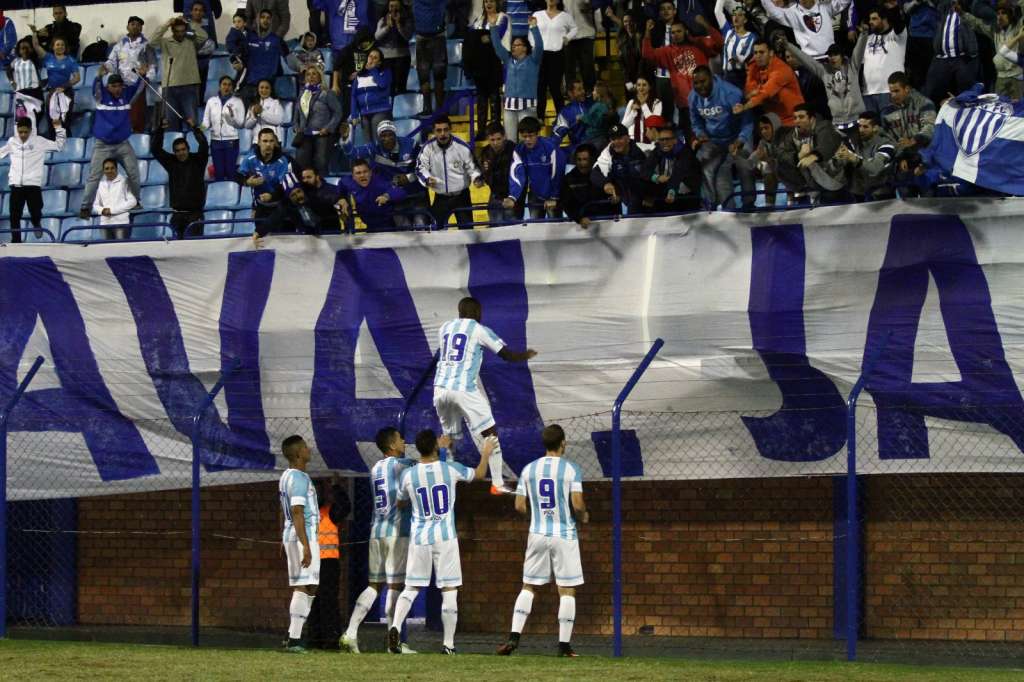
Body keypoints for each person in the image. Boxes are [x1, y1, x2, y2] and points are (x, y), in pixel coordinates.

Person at [387, 430, 496, 655]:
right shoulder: (449, 470)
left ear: (418, 448)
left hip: (420, 537)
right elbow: (479, 474)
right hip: (445, 537)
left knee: (411, 588)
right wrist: (485, 454)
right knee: (449, 590)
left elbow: (399, 503)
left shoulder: (409, 475)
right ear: (436, 447)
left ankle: (395, 627)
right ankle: (448, 644)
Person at [496, 424, 588, 658]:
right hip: (563, 534)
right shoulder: (571, 469)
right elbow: (577, 504)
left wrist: (536, 516)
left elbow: (518, 505)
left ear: (545, 444)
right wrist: (584, 515)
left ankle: (513, 638)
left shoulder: (528, 470)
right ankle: (564, 646)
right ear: (563, 443)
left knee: (529, 586)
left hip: (537, 534)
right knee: (566, 589)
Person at [431, 296, 537, 493]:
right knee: (490, 432)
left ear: (459, 312)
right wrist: (525, 355)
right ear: (478, 313)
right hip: (463, 389)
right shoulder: (479, 330)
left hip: (440, 390)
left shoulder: (444, 327)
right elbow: (505, 354)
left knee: (449, 436)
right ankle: (497, 483)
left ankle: (444, 475)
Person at [340, 427, 418, 654]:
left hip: (376, 530)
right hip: (396, 532)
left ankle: (351, 632)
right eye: (400, 439)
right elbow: (424, 464)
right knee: (395, 585)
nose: (404, 441)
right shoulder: (401, 464)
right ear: (392, 445)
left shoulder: (375, 468)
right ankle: (393, 642)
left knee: (374, 585)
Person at [79, 67, 146, 219]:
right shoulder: (101, 96)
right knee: (94, 176)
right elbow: (96, 87)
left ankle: (136, 201)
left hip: (122, 143)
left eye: (119, 86)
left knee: (133, 173)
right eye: (113, 86)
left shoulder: (127, 96)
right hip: (102, 144)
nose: (117, 89)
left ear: (123, 86)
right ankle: (85, 207)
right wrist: (98, 76)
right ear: (108, 87)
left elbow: (139, 87)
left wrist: (142, 76)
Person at [641, 17, 723, 138]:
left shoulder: (699, 44)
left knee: (713, 136)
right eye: (672, 32)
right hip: (685, 104)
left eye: (679, 31)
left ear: (686, 31)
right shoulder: (667, 51)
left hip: (707, 101)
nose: (675, 35)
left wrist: (706, 25)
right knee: (692, 139)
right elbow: (647, 55)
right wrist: (647, 32)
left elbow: (719, 43)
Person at [340, 119, 427, 227]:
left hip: (416, 194)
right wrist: (345, 140)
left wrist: (409, 177)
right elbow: (353, 154)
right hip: (394, 197)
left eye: (390, 134)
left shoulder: (411, 145)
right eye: (383, 136)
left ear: (395, 134)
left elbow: (426, 167)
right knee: (403, 228)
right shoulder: (374, 148)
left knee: (421, 225)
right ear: (378, 138)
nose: (387, 139)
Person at [689, 66, 755, 208]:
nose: (700, 86)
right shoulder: (693, 97)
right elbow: (695, 121)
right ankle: (725, 208)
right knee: (714, 169)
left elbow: (747, 121)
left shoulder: (731, 93)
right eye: (696, 83)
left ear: (711, 78)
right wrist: (701, 134)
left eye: (703, 81)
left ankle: (749, 206)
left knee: (745, 166)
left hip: (738, 135)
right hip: (715, 139)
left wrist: (740, 140)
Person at [278, 435, 319, 654]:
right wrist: (305, 545)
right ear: (297, 454)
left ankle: (293, 632)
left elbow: (283, 511)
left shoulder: (286, 476)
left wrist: (283, 538)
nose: (308, 449)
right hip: (303, 534)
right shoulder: (299, 478)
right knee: (302, 585)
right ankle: (294, 639)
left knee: (310, 585)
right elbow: (296, 511)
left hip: (293, 533)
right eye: (304, 447)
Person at [0, 117, 66, 243]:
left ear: (31, 130)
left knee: (36, 211)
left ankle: (36, 223)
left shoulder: (39, 141)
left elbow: (59, 146)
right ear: (17, 131)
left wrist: (59, 129)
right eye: (20, 132)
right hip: (16, 185)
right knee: (14, 216)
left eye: (25, 132)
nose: (23, 135)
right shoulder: (12, 142)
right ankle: (16, 242)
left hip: (33, 184)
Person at [305, 477, 350, 651]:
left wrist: (336, 486)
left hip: (327, 562)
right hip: (315, 561)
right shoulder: (312, 514)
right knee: (316, 601)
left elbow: (346, 506)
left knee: (326, 601)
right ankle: (319, 639)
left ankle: (327, 639)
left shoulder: (328, 512)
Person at [416, 116, 484, 229]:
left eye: (446, 129)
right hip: (440, 198)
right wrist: (427, 179)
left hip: (462, 197)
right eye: (438, 130)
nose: (442, 133)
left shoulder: (462, 147)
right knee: (436, 232)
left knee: (467, 233)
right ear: (434, 131)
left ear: (450, 129)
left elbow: (473, 168)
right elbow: (420, 168)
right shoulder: (427, 148)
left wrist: (476, 178)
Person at [788, 42, 864, 137]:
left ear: (842, 56)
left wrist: (864, 33)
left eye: (835, 54)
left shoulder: (852, 68)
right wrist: (788, 45)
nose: (832, 58)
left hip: (857, 121)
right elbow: (806, 59)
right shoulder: (824, 72)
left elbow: (859, 50)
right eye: (830, 55)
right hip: (837, 125)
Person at [776, 103, 849, 202]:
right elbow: (780, 153)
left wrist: (813, 156)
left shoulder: (825, 126)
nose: (797, 121)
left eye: (801, 117)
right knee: (780, 166)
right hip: (814, 181)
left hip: (837, 178)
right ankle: (804, 191)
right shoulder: (793, 135)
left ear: (812, 119)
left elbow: (827, 144)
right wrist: (798, 156)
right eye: (795, 118)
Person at [152, 121, 210, 239]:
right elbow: (155, 149)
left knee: (195, 247)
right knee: (177, 249)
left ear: (188, 149)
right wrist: (161, 130)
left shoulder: (198, 160)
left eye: (183, 149)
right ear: (174, 152)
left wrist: (194, 127)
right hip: (177, 215)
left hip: (195, 214)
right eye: (177, 151)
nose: (180, 153)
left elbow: (204, 144)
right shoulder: (171, 162)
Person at [492, 16, 545, 142]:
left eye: (517, 45)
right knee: (510, 140)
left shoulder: (533, 60)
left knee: (526, 139)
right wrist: (493, 27)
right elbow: (497, 47)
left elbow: (540, 46)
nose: (513, 47)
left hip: (527, 106)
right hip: (509, 106)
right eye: (513, 45)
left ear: (525, 47)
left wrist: (534, 27)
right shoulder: (508, 60)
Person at [153, 15, 208, 131]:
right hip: (169, 87)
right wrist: (167, 23)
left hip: (189, 85)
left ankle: (194, 146)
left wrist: (190, 22)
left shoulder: (191, 41)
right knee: (171, 123)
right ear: (172, 30)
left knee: (192, 122)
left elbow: (204, 36)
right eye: (177, 31)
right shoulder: (165, 42)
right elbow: (152, 41)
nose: (180, 34)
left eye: (183, 31)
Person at [960, 0, 1023, 100]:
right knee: (1000, 109)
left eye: (1003, 13)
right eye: (998, 14)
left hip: (1017, 77)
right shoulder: (994, 30)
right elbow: (977, 24)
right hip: (1001, 78)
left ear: (1010, 15)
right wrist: (962, 14)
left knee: (1019, 109)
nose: (1000, 16)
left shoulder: (1018, 28)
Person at [505, 116, 564, 219]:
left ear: (538, 133)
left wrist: (554, 197)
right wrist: (512, 197)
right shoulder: (519, 150)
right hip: (535, 195)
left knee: (557, 229)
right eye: (524, 136)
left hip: (553, 196)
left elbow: (558, 174)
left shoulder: (550, 147)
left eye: (531, 136)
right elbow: (517, 174)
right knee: (535, 228)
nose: (527, 140)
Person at [734, 39, 804, 126]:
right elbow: (749, 90)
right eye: (755, 53)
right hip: (773, 121)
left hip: (792, 120)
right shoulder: (755, 66)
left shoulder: (781, 70)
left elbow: (764, 93)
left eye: (762, 52)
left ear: (771, 53)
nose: (758, 56)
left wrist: (744, 107)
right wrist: (750, 94)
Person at [924, 0, 980, 104]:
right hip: (942, 58)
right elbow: (938, 5)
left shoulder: (966, 12)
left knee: (966, 91)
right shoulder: (944, 10)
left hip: (961, 58)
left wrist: (971, 53)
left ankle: (966, 115)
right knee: (933, 92)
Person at [105, 16, 156, 133]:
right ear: (127, 27)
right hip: (122, 86)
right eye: (133, 24)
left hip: (138, 84)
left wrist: (147, 77)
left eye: (138, 25)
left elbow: (152, 65)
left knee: (137, 115)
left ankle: (138, 137)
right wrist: (106, 68)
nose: (135, 26)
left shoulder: (146, 45)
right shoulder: (119, 45)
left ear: (141, 28)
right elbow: (111, 62)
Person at [259, 172, 348, 236]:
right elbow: (273, 219)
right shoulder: (287, 205)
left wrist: (339, 199)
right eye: (293, 195)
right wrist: (258, 232)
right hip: (308, 238)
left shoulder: (315, 195)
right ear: (289, 197)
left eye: (299, 191)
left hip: (329, 232)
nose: (298, 196)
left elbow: (329, 196)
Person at [466, 0, 507, 139]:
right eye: (486, 1)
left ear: (497, 3)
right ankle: (481, 131)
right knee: (482, 100)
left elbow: (499, 35)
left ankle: (495, 130)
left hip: (496, 63)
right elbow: (473, 37)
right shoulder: (479, 19)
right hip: (481, 65)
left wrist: (487, 37)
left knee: (495, 98)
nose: (488, 4)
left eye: (492, 1)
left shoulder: (503, 17)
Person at [835, 110, 897, 199]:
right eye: (859, 126)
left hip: (881, 194)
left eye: (865, 127)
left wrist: (853, 158)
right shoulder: (856, 143)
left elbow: (875, 168)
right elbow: (843, 166)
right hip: (859, 192)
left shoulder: (887, 145)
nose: (861, 130)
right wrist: (840, 159)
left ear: (875, 128)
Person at [641, 122, 704, 211]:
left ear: (675, 140)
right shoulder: (658, 150)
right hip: (668, 189)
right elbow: (644, 169)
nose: (664, 142)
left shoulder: (685, 152)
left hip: (687, 193)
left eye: (667, 139)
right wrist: (656, 177)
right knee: (644, 186)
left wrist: (672, 191)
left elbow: (678, 173)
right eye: (661, 140)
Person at [856, 8, 908, 114]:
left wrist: (893, 8)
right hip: (868, 93)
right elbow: (859, 66)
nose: (870, 22)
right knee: (871, 130)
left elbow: (899, 24)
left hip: (889, 92)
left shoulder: (896, 36)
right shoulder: (867, 39)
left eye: (874, 18)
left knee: (891, 128)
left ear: (884, 20)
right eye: (870, 19)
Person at [761, 0, 851, 60]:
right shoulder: (793, 13)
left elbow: (844, 2)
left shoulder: (825, 7)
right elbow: (773, 12)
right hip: (810, 62)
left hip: (831, 58)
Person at [293, 67, 342, 177]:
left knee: (320, 163)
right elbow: (296, 114)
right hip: (304, 134)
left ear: (320, 77)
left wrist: (328, 128)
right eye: (308, 74)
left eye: (314, 74)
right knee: (301, 163)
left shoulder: (326, 93)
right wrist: (296, 127)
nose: (311, 77)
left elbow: (338, 112)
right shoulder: (302, 94)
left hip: (322, 135)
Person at [533, 0, 578, 120]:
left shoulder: (565, 16)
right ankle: (540, 117)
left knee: (555, 88)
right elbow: (531, 32)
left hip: (557, 54)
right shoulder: (537, 15)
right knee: (540, 87)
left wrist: (567, 38)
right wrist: (534, 47)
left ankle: (561, 118)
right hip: (540, 54)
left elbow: (574, 29)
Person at [237, 127, 293, 223]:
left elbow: (285, 186)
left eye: (271, 141)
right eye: (265, 141)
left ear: (275, 143)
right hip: (260, 205)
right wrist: (247, 181)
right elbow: (238, 176)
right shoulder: (250, 159)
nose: (268, 145)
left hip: (279, 205)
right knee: (260, 235)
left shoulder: (283, 161)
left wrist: (271, 196)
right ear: (258, 142)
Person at [25, 32, 77, 133]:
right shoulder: (48, 57)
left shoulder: (70, 60)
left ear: (65, 47)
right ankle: (53, 142)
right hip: (52, 92)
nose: (60, 46)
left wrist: (64, 86)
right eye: (57, 44)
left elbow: (77, 78)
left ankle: (66, 143)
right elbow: (36, 45)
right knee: (51, 119)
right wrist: (34, 33)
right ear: (53, 47)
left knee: (64, 119)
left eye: (62, 45)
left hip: (66, 92)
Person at [735, 112, 790, 205]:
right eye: (761, 129)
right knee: (766, 168)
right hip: (777, 170)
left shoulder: (787, 139)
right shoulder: (763, 143)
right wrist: (735, 156)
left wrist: (768, 159)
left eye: (766, 128)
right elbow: (749, 164)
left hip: (794, 174)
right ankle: (769, 204)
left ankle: (792, 201)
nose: (763, 131)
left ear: (775, 126)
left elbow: (788, 163)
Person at [592, 122, 648, 211]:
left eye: (619, 138)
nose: (616, 142)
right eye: (613, 139)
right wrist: (606, 183)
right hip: (623, 202)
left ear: (628, 138)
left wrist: (649, 195)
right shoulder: (607, 157)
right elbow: (594, 173)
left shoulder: (642, 154)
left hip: (644, 202)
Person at [340, 158, 407, 231]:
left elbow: (401, 192)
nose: (362, 175)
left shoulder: (381, 182)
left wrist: (387, 196)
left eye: (365, 172)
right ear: (353, 176)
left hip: (387, 225)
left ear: (370, 173)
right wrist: (341, 198)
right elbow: (339, 189)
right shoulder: (347, 181)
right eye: (358, 173)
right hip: (368, 225)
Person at [238, 9, 288, 102]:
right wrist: (235, 61)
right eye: (262, 17)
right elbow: (236, 52)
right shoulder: (248, 37)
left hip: (267, 88)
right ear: (257, 19)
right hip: (250, 85)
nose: (265, 20)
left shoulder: (277, 40)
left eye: (268, 18)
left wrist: (301, 66)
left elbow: (289, 57)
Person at [560, 143, 613, 227]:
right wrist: (579, 218)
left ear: (592, 159)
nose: (582, 163)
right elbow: (566, 203)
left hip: (608, 221)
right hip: (583, 223)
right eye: (579, 159)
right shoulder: (569, 179)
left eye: (585, 159)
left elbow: (615, 198)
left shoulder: (604, 174)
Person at [881, 71, 936, 152]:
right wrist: (900, 156)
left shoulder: (924, 104)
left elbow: (930, 128)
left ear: (907, 89)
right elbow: (887, 138)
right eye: (891, 92)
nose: (893, 95)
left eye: (896, 91)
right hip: (900, 154)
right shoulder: (887, 112)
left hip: (925, 152)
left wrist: (912, 141)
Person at [203, 76, 245, 180]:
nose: (226, 87)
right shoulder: (211, 101)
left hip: (231, 141)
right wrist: (198, 129)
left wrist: (231, 117)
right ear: (220, 86)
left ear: (232, 87)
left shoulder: (238, 102)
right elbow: (206, 122)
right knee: (219, 173)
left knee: (231, 172)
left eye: (229, 85)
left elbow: (240, 123)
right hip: (215, 142)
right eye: (224, 84)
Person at [412, 0, 450, 115]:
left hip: (426, 36)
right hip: (436, 36)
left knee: (429, 76)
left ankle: (429, 108)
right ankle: (438, 108)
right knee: (437, 76)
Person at [479, 121, 519, 224]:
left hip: (513, 197)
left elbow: (519, 175)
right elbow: (483, 173)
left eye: (498, 139)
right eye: (492, 140)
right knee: (495, 231)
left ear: (504, 136)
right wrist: (480, 179)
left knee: (514, 231)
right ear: (487, 138)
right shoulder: (485, 153)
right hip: (495, 196)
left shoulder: (514, 150)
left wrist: (513, 197)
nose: (495, 143)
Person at [350, 48, 393, 143]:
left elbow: (382, 84)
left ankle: (381, 158)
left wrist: (373, 70)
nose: (371, 59)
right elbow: (353, 96)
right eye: (370, 56)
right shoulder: (359, 75)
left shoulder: (385, 72)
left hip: (380, 110)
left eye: (375, 58)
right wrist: (354, 115)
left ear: (379, 62)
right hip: (364, 113)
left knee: (378, 142)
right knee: (368, 144)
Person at [93, 158, 139, 241]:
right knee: (106, 251)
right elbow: (95, 204)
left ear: (116, 169)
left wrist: (112, 211)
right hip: (105, 223)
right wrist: (102, 210)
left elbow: (133, 202)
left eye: (112, 168)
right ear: (103, 170)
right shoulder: (100, 184)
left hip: (121, 223)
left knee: (120, 250)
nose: (109, 170)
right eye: (107, 168)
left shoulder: (125, 182)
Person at [375, 0, 414, 97]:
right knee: (388, 87)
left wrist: (398, 25)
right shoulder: (382, 20)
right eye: (391, 6)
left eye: (396, 6)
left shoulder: (407, 19)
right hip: (386, 58)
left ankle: (400, 110)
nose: (393, 9)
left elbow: (408, 36)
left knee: (401, 87)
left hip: (402, 57)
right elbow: (377, 36)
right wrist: (388, 27)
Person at [604, 9, 645, 97]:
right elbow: (622, 65)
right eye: (625, 21)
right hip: (629, 80)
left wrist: (638, 81)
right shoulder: (621, 39)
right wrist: (627, 81)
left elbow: (642, 61)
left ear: (635, 22)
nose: (628, 24)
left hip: (643, 79)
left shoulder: (641, 39)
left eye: (630, 21)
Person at [9, 39, 43, 133]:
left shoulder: (36, 61)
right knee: (21, 120)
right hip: (21, 94)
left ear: (31, 49)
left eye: (27, 48)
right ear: (19, 50)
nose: (24, 50)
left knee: (34, 120)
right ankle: (22, 143)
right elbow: (8, 70)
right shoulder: (16, 61)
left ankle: (33, 141)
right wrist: (12, 82)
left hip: (35, 93)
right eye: (22, 48)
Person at [563, 0, 596, 95]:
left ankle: (590, 95)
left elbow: (598, 3)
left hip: (586, 33)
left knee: (587, 69)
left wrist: (591, 5)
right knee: (569, 70)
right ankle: (571, 97)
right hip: (568, 36)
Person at [722, 5, 758, 90]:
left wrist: (740, 64)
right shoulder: (728, 32)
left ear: (745, 20)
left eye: (740, 15)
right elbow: (717, 11)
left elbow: (755, 62)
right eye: (734, 14)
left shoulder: (753, 38)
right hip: (726, 76)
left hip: (741, 78)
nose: (736, 17)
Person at [621, 77, 663, 146]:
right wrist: (633, 113)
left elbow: (653, 123)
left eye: (644, 85)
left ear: (649, 87)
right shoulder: (631, 102)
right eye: (639, 85)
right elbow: (624, 126)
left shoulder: (657, 102)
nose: (641, 88)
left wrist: (643, 104)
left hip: (651, 142)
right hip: (634, 143)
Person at [243, 79, 287, 143]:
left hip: (273, 141)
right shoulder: (253, 104)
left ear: (271, 90)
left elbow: (279, 120)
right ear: (258, 89)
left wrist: (262, 113)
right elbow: (247, 125)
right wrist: (254, 116)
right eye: (261, 87)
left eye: (267, 88)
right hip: (257, 141)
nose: (264, 90)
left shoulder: (276, 103)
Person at [580, 81, 617, 150]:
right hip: (594, 138)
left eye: (594, 91)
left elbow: (596, 122)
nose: (592, 93)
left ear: (599, 94)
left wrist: (582, 118)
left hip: (596, 139)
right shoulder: (600, 105)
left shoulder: (601, 106)